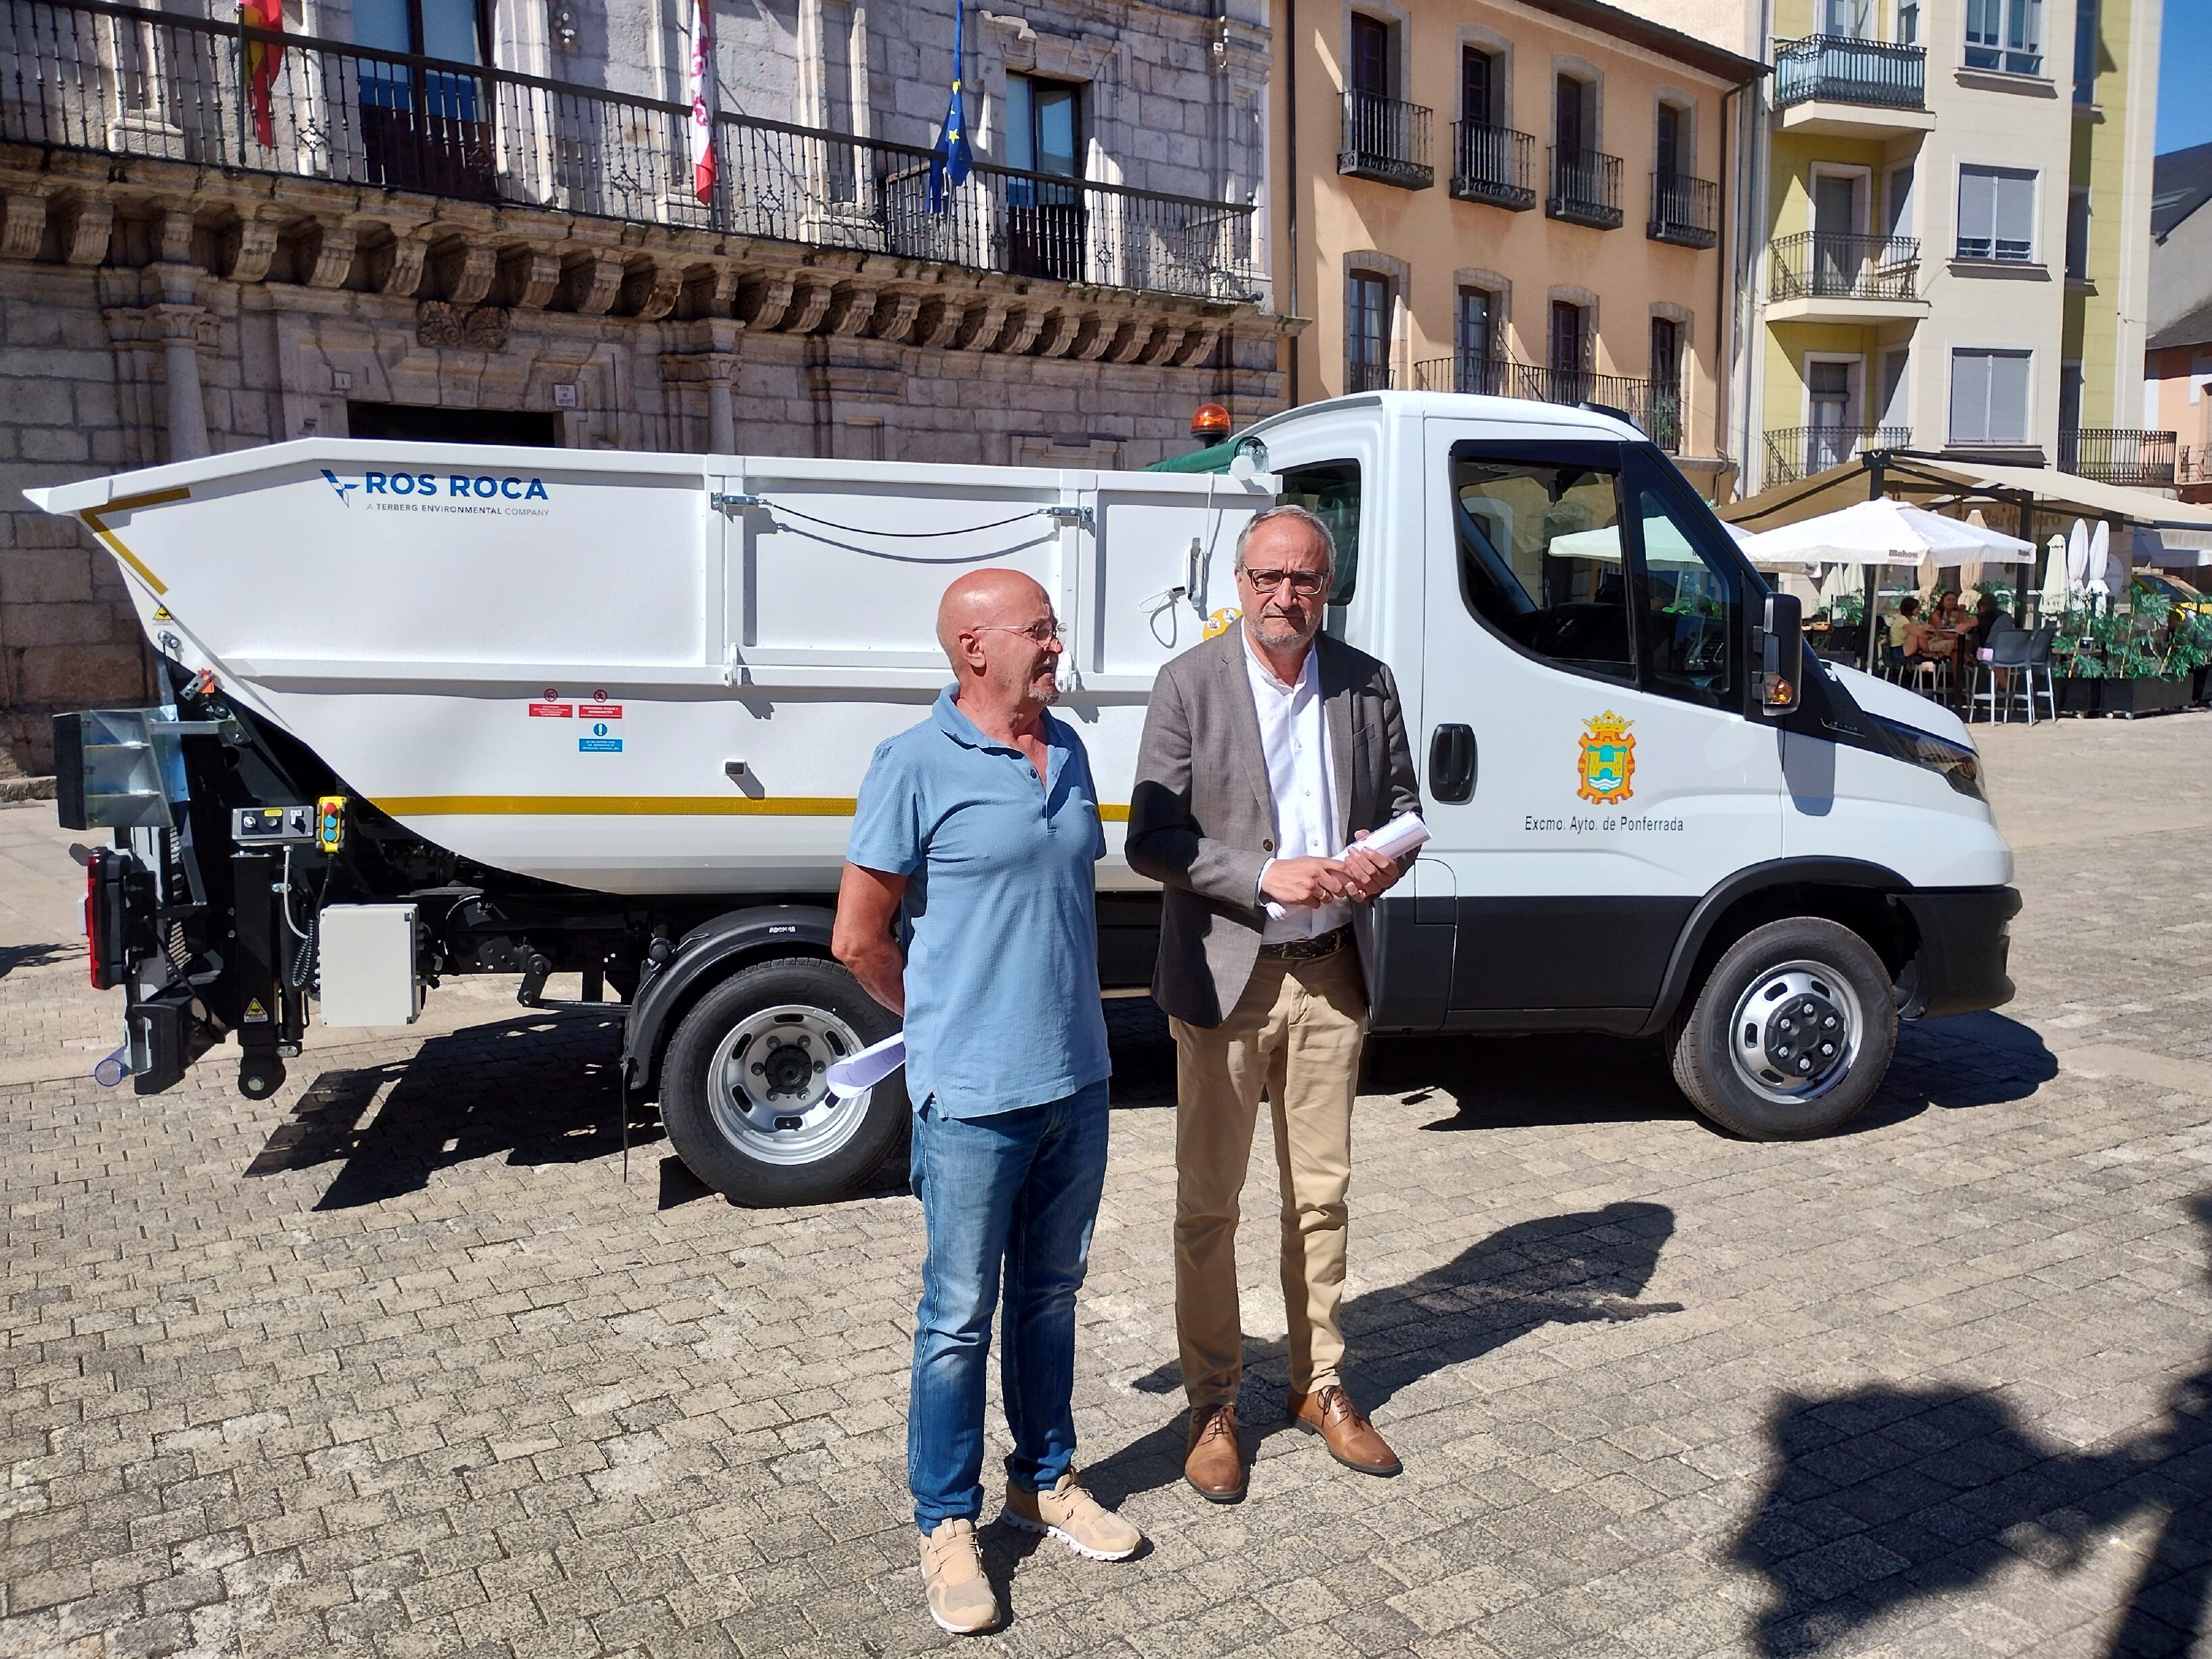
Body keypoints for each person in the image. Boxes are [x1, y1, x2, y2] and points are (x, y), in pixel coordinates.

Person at [833, 569, 1141, 1637]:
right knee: (957, 1319)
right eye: (1040, 631)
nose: (1057, 646)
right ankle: (945, 1523)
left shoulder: (1071, 752)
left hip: (1079, 1081)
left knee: (1050, 1296)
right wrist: (942, 1023)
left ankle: (1044, 1482)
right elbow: (858, 937)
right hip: (972, 1095)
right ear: (974, 649)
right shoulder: (912, 765)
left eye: (1055, 628)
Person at [1127, 504, 1421, 1504]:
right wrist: (1262, 875)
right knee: (1210, 1205)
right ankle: (1214, 1404)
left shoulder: (1365, 681)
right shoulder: (1188, 686)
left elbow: (1405, 809)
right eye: (1266, 578)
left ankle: (1321, 1385)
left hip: (1332, 972)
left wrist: (1377, 863)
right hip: (1226, 981)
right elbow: (1151, 843)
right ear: (1238, 583)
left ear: (1325, 587)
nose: (1283, 597)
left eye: (1302, 580)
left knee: (1323, 1199)